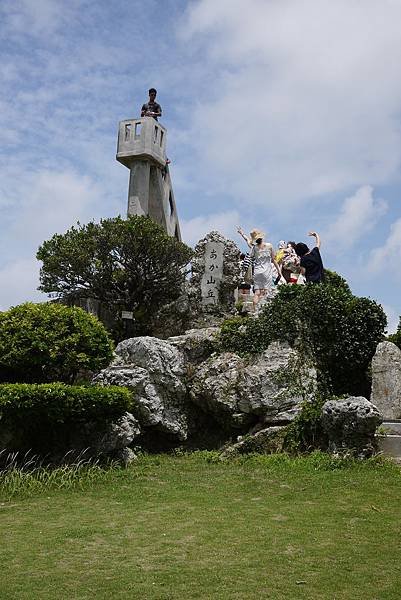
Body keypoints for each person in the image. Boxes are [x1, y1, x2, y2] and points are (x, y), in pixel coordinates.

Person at [237, 227, 282, 307]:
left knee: (257, 293)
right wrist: (279, 271)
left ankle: (254, 310)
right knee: (265, 292)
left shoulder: (254, 248)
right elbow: (274, 260)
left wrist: (242, 233)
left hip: (257, 272)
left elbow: (247, 240)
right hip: (267, 272)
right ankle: (263, 310)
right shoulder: (269, 246)